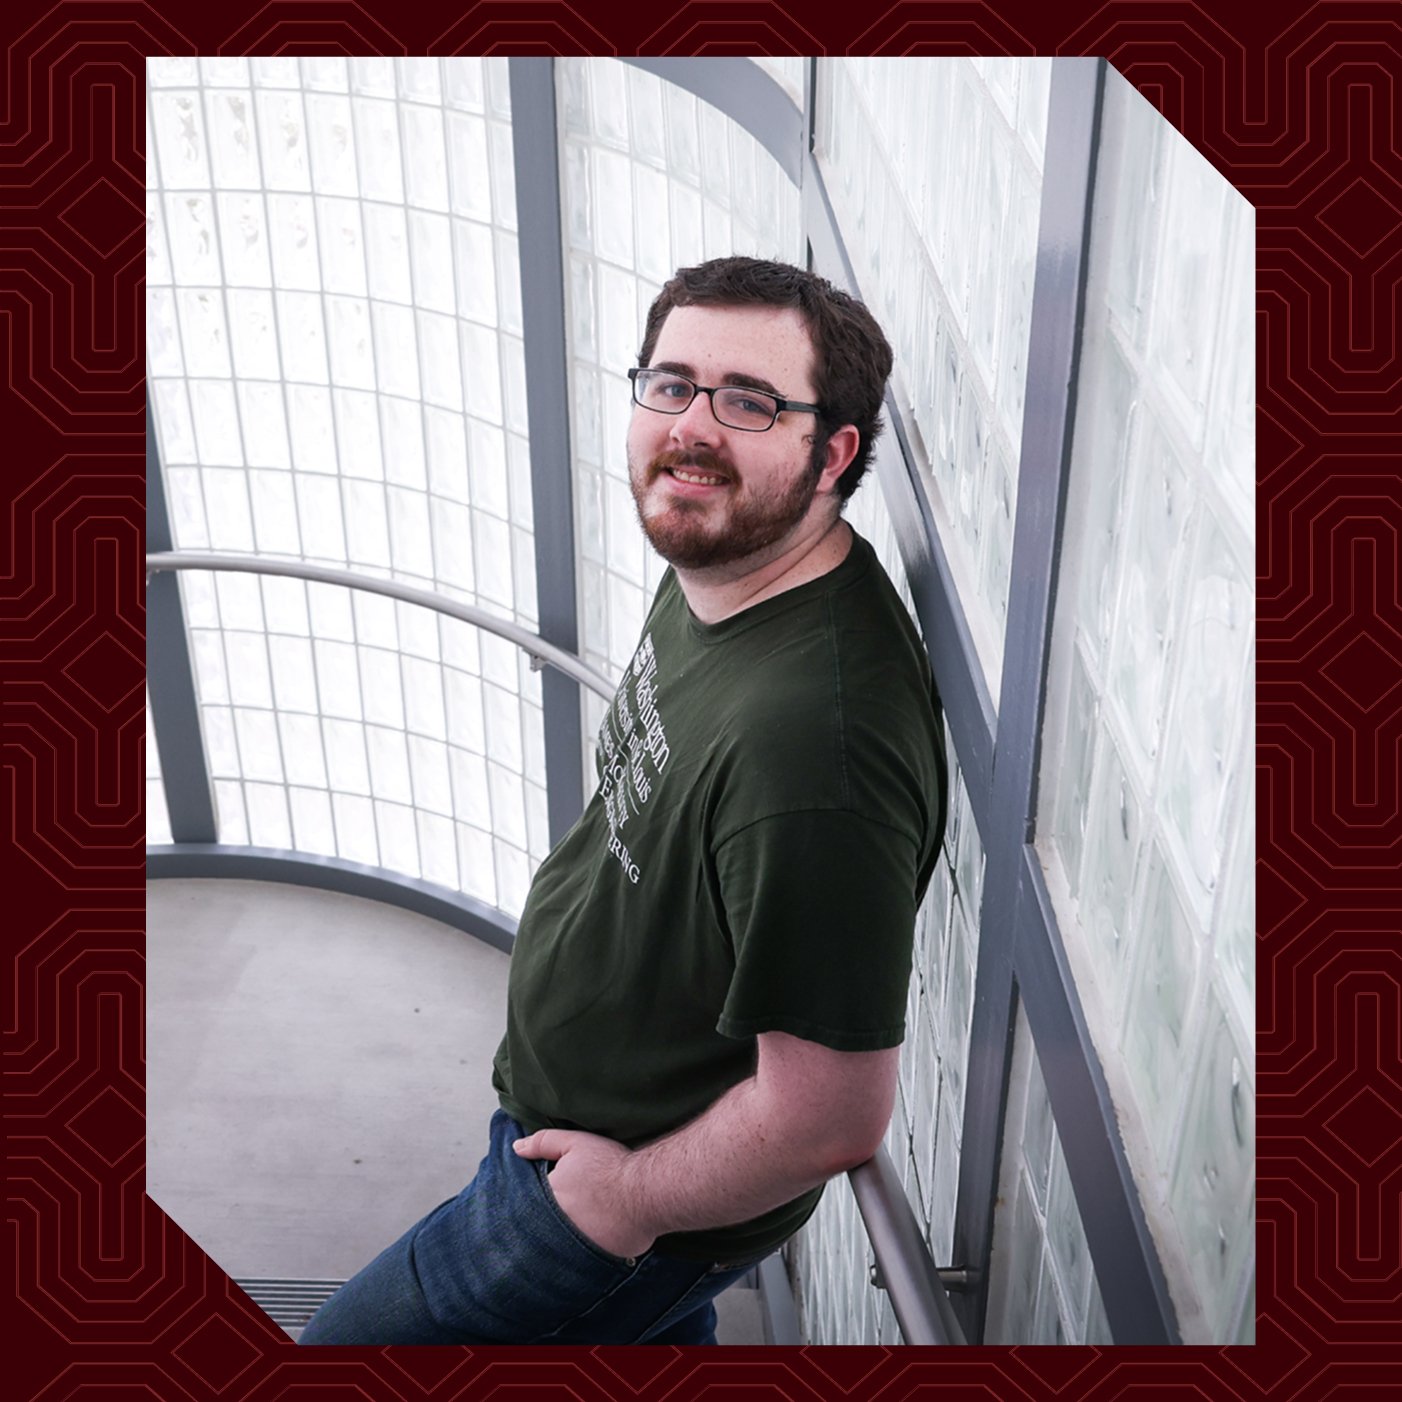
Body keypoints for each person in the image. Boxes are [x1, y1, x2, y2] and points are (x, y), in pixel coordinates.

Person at [300, 256, 947, 1346]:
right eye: (670, 382)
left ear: (831, 451)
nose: (692, 427)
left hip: (604, 1201)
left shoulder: (811, 754)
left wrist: (627, 1202)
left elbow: (830, 1112)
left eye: (749, 400)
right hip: (570, 1141)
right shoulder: (728, 554)